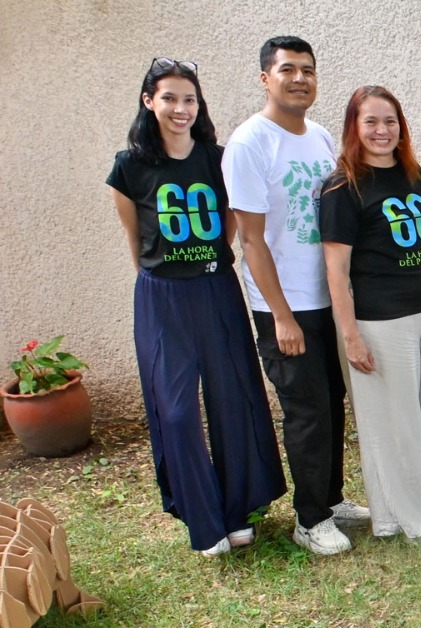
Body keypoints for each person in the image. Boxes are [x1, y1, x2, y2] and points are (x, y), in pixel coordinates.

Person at [107, 58, 285, 557]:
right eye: (169, 98)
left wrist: (208, 265)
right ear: (149, 102)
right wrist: (165, 275)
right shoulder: (129, 166)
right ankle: (203, 520)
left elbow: (230, 226)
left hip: (215, 290)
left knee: (232, 398)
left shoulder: (217, 159)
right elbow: (135, 238)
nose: (181, 108)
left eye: (189, 99)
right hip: (162, 297)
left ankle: (238, 509)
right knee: (178, 410)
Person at [223, 35, 369, 555]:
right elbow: (251, 240)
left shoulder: (323, 136)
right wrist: (282, 316)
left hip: (328, 297)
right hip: (285, 307)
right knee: (306, 412)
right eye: (288, 69)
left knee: (332, 403)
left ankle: (329, 500)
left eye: (308, 69)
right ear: (266, 77)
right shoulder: (250, 143)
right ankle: (309, 520)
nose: (299, 78)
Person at [320, 86, 421, 546]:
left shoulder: (411, 173)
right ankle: (411, 518)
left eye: (390, 121)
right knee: (394, 422)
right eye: (371, 122)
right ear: (353, 128)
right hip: (381, 322)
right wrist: (350, 337)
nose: (382, 131)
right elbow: (336, 271)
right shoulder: (342, 187)